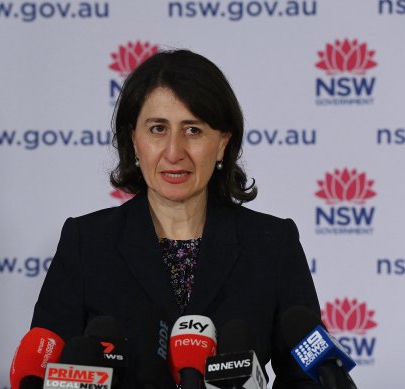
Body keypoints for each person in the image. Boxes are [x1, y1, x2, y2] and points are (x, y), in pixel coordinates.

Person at [30, 49, 321, 388]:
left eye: (193, 130)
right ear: (134, 141)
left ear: (223, 143)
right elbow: (46, 371)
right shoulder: (87, 242)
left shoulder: (272, 244)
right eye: (157, 129)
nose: (173, 151)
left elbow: (308, 378)